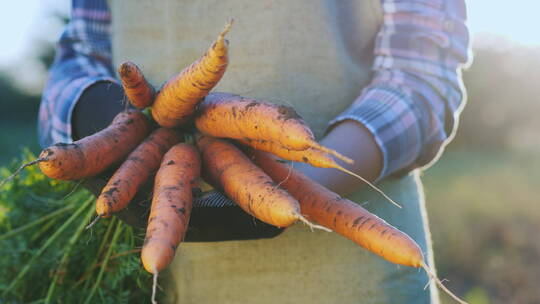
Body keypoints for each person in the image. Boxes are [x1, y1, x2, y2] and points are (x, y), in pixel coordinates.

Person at [39, 0, 470, 303]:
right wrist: (96, 130)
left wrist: (303, 185)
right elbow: (80, 51)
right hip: (154, 266)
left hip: (349, 273)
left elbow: (421, 72)